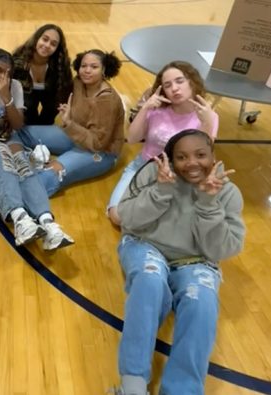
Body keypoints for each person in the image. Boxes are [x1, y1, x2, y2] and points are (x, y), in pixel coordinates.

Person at [113, 129, 245, 395]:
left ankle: (182, 390)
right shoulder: (154, 173)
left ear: (213, 156)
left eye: (200, 155)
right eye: (182, 157)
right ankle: (133, 386)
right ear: (171, 160)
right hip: (146, 244)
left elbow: (224, 248)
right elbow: (127, 218)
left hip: (197, 259)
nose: (192, 163)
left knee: (203, 302)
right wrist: (161, 192)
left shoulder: (227, 192)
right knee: (150, 282)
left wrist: (208, 204)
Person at [0, 47, 73, 250]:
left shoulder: (15, 86)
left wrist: (6, 97)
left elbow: (18, 125)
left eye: (6, 72)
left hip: (9, 135)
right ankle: (19, 218)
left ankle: (47, 222)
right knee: (1, 155)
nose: (1, 75)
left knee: (23, 164)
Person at [107, 61, 219, 225]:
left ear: (191, 82)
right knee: (117, 216)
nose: (174, 88)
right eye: (168, 85)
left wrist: (207, 124)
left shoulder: (208, 116)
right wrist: (145, 108)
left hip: (178, 176)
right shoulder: (157, 109)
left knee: (170, 223)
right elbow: (132, 139)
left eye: (180, 81)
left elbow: (203, 157)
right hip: (143, 166)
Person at [17, 49, 124, 196]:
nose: (87, 70)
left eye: (94, 67)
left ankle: (12, 200)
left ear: (104, 70)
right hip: (74, 135)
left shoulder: (107, 100)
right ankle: (18, 160)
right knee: (22, 131)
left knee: (50, 174)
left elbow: (97, 143)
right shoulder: (79, 82)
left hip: (100, 152)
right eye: (83, 66)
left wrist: (69, 123)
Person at [12, 24, 72, 125]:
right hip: (24, 114)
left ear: (57, 48)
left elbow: (65, 93)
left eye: (53, 44)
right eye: (45, 39)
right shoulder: (18, 62)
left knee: (53, 106)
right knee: (27, 106)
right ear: (37, 39)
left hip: (48, 106)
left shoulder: (60, 66)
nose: (47, 45)